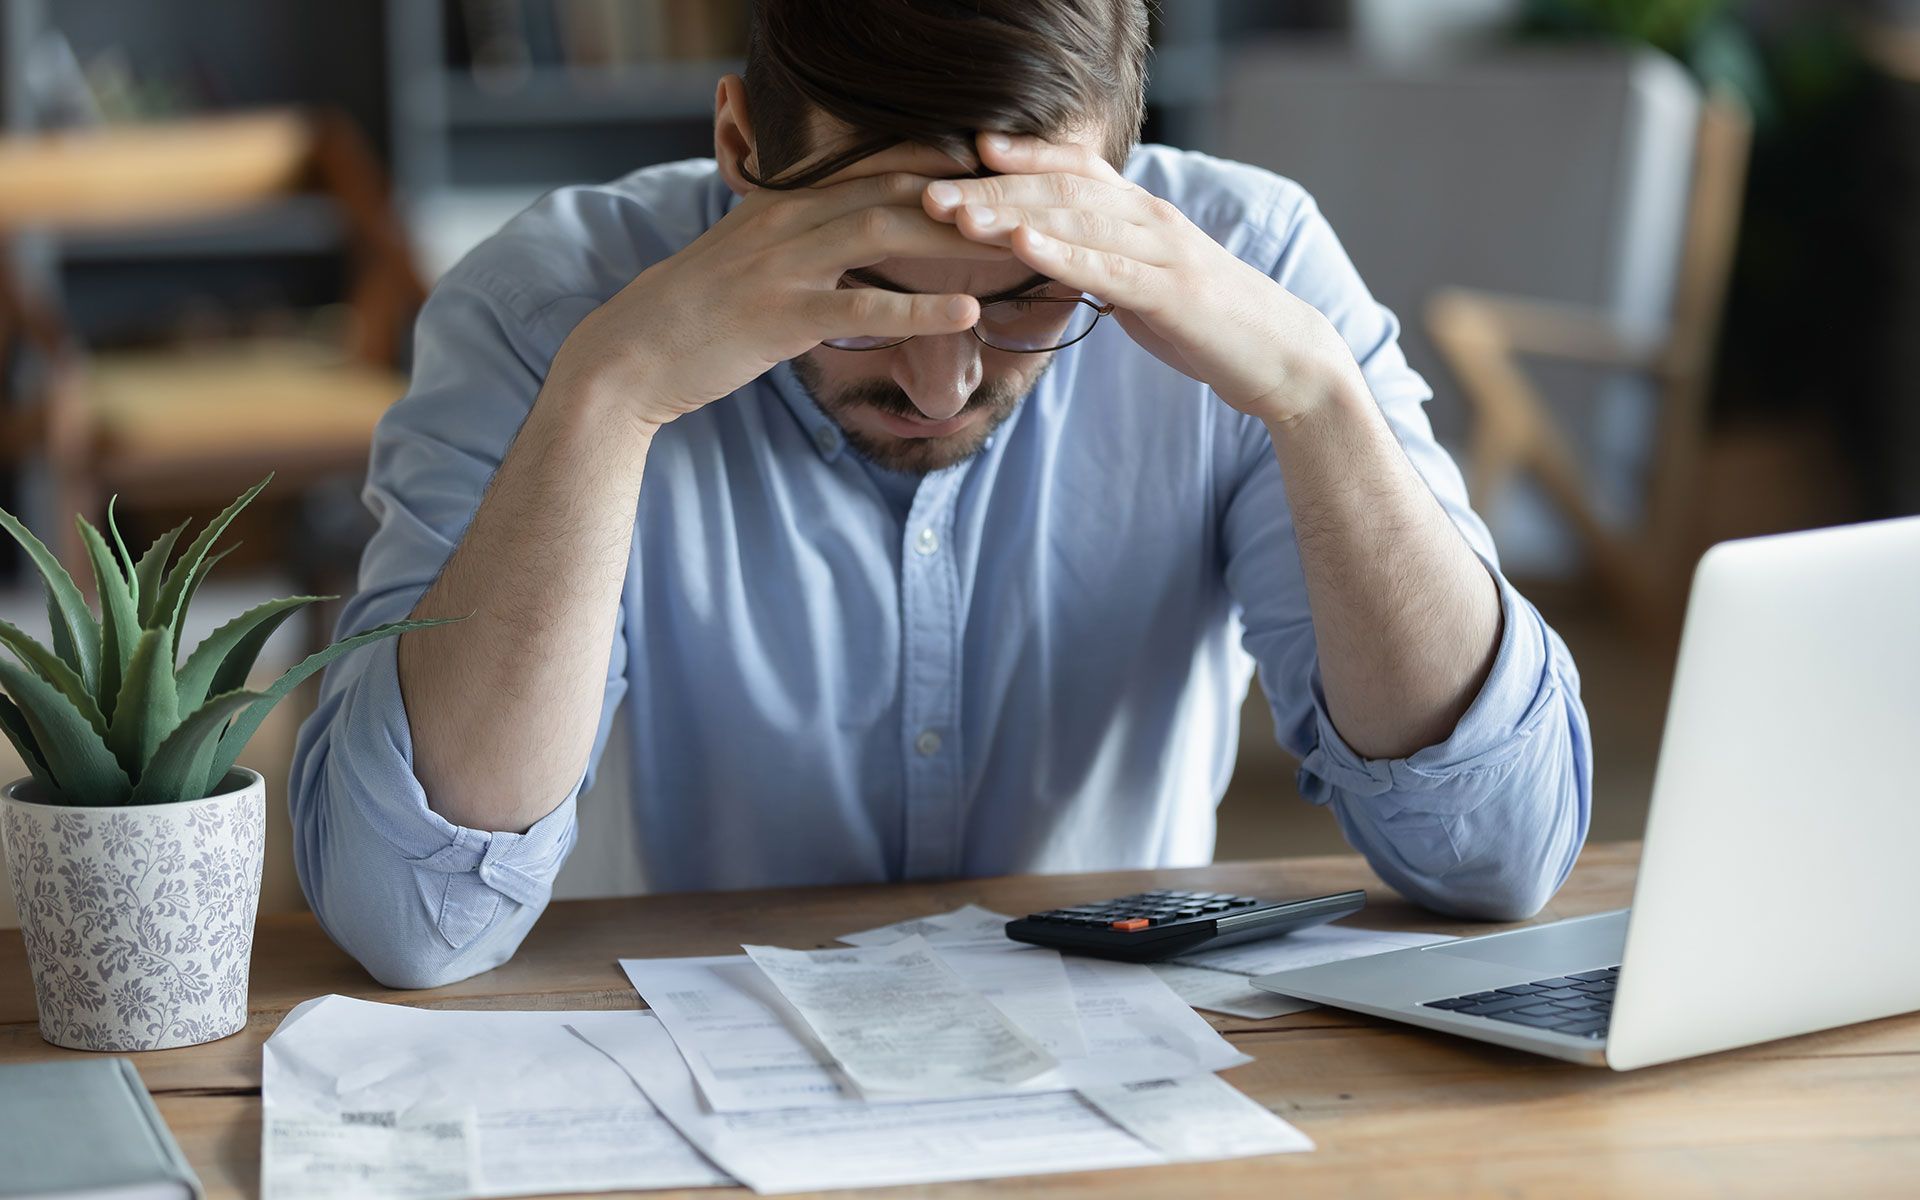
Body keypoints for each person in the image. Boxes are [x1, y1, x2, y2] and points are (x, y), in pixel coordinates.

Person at [291, 0, 1592, 989]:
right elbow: (415, 920)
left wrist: (1317, 403)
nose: (939, 379)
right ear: (742, 147)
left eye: (1029, 295)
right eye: (869, 286)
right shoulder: (547, 318)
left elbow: (1496, 854)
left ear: (1122, 172)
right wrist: (611, 396)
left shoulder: (1260, 274)